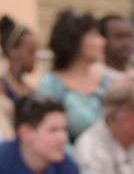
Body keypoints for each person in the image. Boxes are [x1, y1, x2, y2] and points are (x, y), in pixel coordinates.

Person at [38, 10, 108, 142]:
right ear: (74, 41)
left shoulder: (106, 84)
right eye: (94, 35)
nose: (103, 41)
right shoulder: (52, 85)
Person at [0, 14, 38, 105]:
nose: (35, 58)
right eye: (31, 52)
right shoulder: (0, 88)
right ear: (13, 52)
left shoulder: (31, 91)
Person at [99, 14, 134, 83]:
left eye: (129, 37)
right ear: (102, 39)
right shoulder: (91, 76)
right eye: (119, 36)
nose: (126, 43)